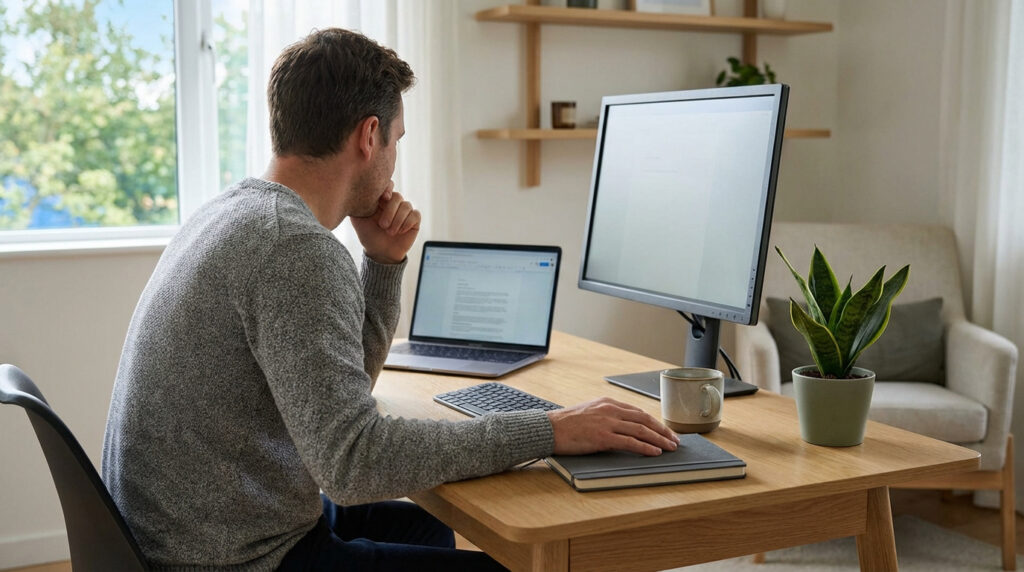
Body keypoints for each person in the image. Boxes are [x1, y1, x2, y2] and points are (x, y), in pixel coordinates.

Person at [101, 27, 678, 571]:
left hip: (199, 527)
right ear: (368, 135)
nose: (394, 159)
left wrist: (383, 262)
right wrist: (551, 429)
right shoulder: (292, 248)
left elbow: (343, 396)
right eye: (396, 140)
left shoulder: (237, 211)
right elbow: (354, 462)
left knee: (424, 528)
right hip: (232, 557)